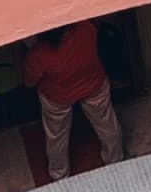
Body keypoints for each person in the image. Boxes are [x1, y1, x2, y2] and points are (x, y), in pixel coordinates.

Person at [20, 13, 125, 180]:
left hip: (57, 96)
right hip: (93, 84)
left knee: (56, 137)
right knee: (107, 125)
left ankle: (59, 174)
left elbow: (29, 81)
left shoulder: (38, 54)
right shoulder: (86, 26)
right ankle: (116, 160)